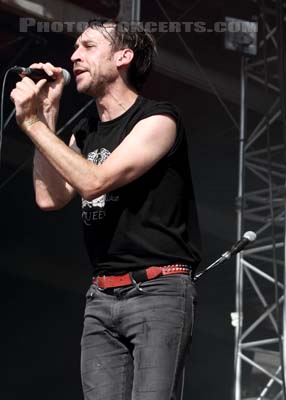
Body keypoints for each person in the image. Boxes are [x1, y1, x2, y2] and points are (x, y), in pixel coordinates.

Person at [10, 19, 201, 400]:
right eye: (76, 48)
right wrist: (47, 115)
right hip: (101, 296)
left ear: (123, 57)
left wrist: (31, 123)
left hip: (159, 290)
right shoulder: (85, 131)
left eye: (88, 46)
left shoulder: (158, 119)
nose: (74, 55)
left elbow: (94, 182)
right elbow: (50, 198)